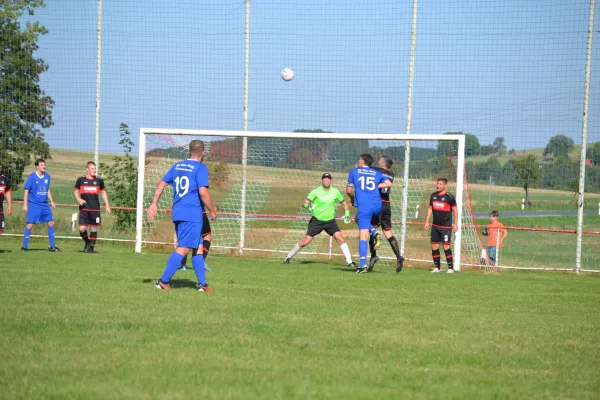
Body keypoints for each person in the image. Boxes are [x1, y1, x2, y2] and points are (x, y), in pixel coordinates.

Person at [147, 140, 218, 292]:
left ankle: (202, 285)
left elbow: (161, 184)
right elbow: (203, 192)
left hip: (178, 212)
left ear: (189, 152)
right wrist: (212, 209)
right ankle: (163, 281)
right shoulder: (200, 168)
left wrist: (154, 203)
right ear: (203, 153)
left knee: (198, 246)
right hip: (191, 214)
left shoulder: (177, 166)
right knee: (184, 247)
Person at [284, 173, 355, 267]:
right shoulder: (315, 191)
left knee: (340, 239)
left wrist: (347, 214)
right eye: (325, 179)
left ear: (331, 180)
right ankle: (288, 257)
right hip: (317, 221)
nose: (327, 180)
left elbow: (344, 203)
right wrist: (309, 206)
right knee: (306, 241)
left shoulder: (335, 192)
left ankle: (349, 262)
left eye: (329, 179)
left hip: (330, 221)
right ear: (322, 180)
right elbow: (304, 203)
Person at [346, 154, 392, 273]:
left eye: (359, 159)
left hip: (365, 206)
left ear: (362, 161)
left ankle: (362, 266)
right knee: (358, 219)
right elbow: (388, 183)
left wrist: (352, 198)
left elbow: (349, 190)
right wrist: (376, 186)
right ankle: (374, 231)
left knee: (363, 236)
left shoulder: (354, 171)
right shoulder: (375, 172)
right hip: (377, 205)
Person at [367, 156, 405, 273]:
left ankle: (374, 256)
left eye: (380, 160)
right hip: (387, 205)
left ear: (382, 163)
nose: (378, 161)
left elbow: (367, 167)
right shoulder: (391, 174)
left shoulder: (377, 170)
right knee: (388, 233)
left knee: (371, 231)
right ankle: (399, 256)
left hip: (377, 203)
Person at [22, 158, 60, 252]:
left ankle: (52, 246)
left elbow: (47, 189)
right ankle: (24, 246)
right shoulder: (32, 177)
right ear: (37, 166)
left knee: (51, 222)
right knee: (30, 225)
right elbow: (26, 190)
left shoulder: (47, 176)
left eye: (44, 165)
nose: (44, 166)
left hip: (44, 205)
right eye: (42, 165)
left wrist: (51, 201)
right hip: (34, 204)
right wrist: (25, 204)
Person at [73, 161, 111, 253]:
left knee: (94, 228)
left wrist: (107, 205)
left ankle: (91, 249)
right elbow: (75, 191)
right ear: (87, 169)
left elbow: (103, 192)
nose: (94, 170)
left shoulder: (99, 180)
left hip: (95, 209)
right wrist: (78, 199)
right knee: (82, 229)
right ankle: (87, 241)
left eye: (95, 168)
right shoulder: (81, 179)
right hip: (84, 209)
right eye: (92, 168)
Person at [424, 178, 458, 273]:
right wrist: (427, 221)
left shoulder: (449, 197)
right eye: (437, 183)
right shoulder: (433, 196)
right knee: (434, 246)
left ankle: (450, 268)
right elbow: (430, 208)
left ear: (445, 185)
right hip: (435, 225)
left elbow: (455, 210)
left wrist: (455, 223)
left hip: (445, 227)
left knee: (446, 246)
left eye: (440, 184)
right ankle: (437, 268)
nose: (438, 185)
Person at [176, 205, 212, 272]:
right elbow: (203, 194)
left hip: (184, 213)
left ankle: (182, 264)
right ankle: (200, 262)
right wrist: (212, 210)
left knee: (185, 237)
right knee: (206, 236)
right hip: (199, 213)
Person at [0, 166, 12, 234]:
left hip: (0, 210)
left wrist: (10, 205)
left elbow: (7, 192)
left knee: (1, 230)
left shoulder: (5, 179)